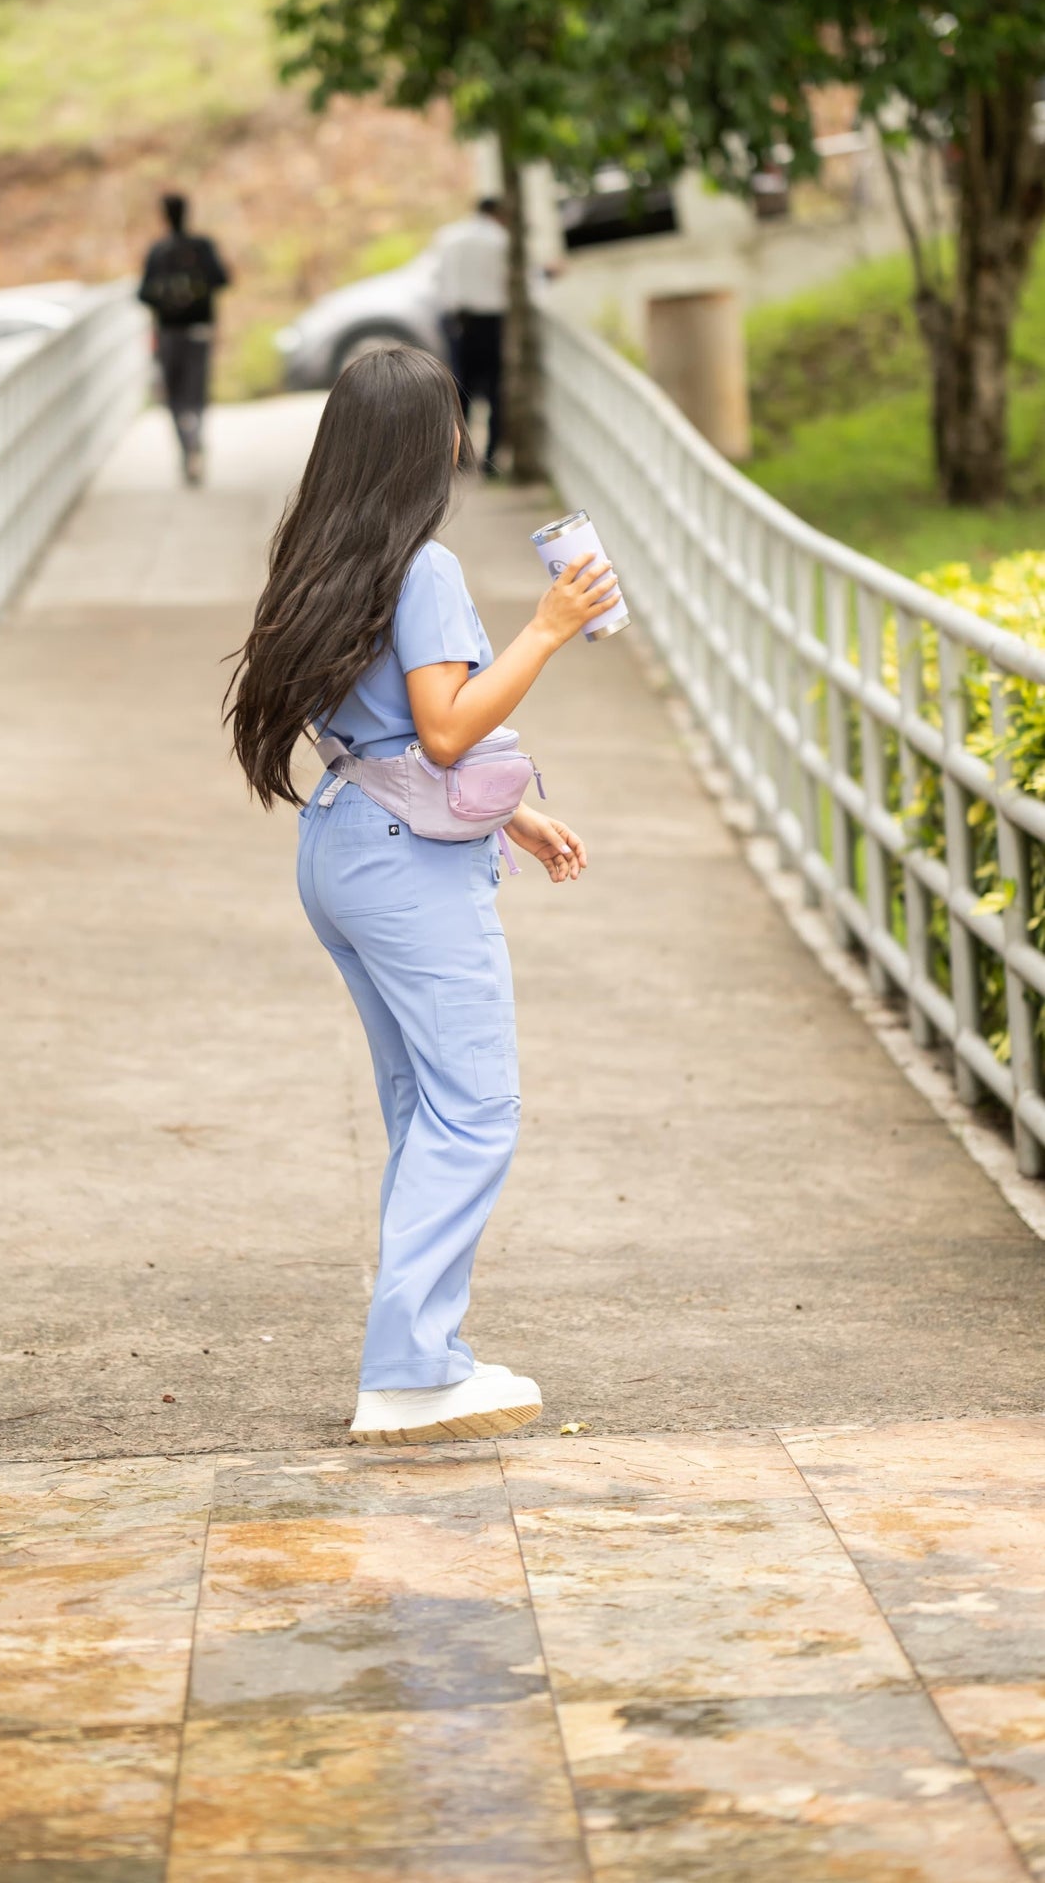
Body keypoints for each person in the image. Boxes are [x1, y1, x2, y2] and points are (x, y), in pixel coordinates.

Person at [227, 346, 619, 1444]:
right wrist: (546, 625)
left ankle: (426, 1351)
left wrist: (509, 811)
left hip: (344, 841)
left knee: (423, 1104)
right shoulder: (424, 567)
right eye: (446, 421)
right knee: (475, 1106)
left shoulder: (316, 548)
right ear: (426, 441)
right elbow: (445, 727)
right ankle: (407, 1372)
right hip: (405, 865)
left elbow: (383, 731)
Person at [138, 192, 231, 485]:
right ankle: (195, 439)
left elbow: (143, 294)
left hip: (168, 333)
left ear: (164, 216)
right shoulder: (202, 247)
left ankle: (187, 444)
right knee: (196, 390)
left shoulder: (157, 252)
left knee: (175, 394)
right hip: (199, 330)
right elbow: (222, 280)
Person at [436, 196, 509, 475]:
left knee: (459, 389)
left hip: (457, 321)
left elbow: (439, 280)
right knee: (494, 390)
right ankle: (490, 459)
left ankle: (460, 457)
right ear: (497, 213)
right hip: (491, 321)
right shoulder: (500, 239)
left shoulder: (449, 237)